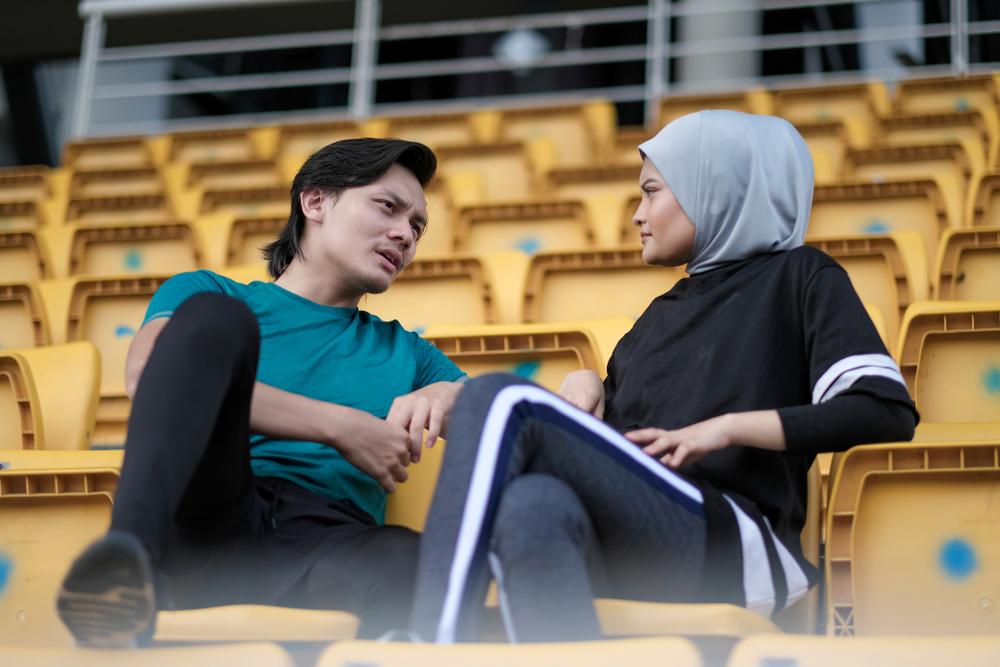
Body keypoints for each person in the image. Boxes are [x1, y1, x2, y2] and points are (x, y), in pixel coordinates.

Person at [409, 111, 919, 643]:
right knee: (530, 503)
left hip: (734, 546)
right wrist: (590, 387)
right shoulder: (656, 316)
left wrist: (725, 429)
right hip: (644, 534)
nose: (637, 215)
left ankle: (431, 644)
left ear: (714, 189)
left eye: (652, 192)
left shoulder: (801, 276)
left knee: (497, 396)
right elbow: (625, 448)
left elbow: (883, 409)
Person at [57, 138, 467, 647]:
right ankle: (124, 568)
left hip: (329, 540)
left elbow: (506, 414)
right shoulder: (210, 295)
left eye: (418, 226)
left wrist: (448, 396)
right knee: (216, 320)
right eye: (388, 207)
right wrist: (339, 426)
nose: (405, 233)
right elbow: (152, 378)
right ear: (315, 202)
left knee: (421, 564)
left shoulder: (408, 352)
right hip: (209, 517)